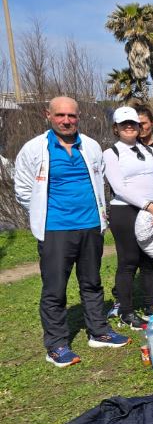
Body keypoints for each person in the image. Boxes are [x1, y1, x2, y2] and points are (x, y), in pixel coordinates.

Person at [14, 96, 129, 367]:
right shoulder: (34, 149)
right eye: (60, 115)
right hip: (55, 229)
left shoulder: (89, 145)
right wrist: (47, 212)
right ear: (48, 115)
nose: (66, 120)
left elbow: (100, 182)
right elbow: (23, 190)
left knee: (91, 282)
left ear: (79, 117)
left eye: (72, 116)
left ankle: (98, 331)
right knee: (55, 289)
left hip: (90, 225)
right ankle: (56, 344)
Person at [104, 106, 153, 329]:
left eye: (133, 123)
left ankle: (152, 308)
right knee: (129, 261)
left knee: (150, 261)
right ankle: (126, 311)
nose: (130, 127)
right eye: (124, 124)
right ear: (116, 128)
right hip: (126, 211)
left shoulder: (150, 152)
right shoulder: (111, 153)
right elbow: (119, 187)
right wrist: (149, 205)